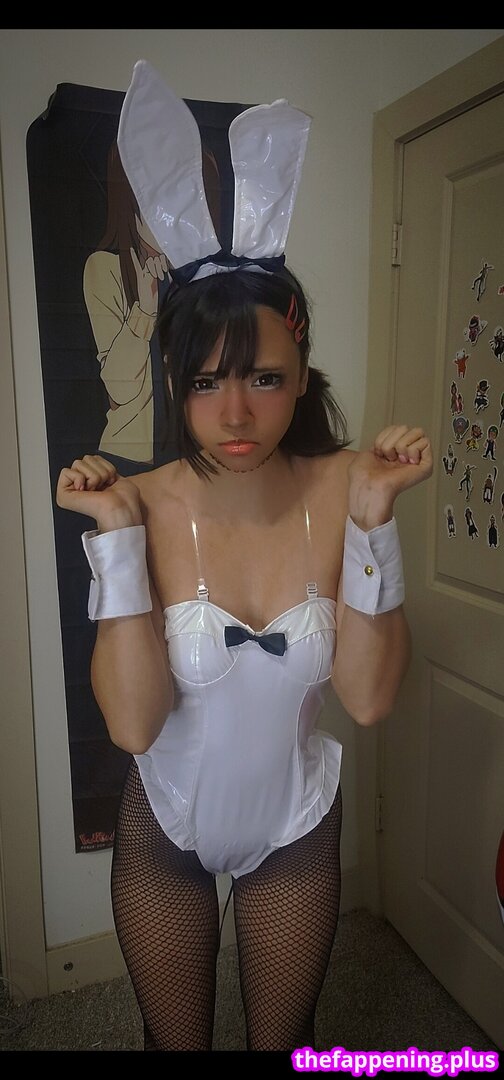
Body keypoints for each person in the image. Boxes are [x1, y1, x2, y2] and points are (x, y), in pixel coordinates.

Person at [55, 62, 433, 1052]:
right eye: (206, 381)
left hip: (295, 827)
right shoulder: (139, 501)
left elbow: (369, 698)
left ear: (301, 372)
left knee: (286, 1040)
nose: (233, 414)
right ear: (174, 379)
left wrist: (375, 519)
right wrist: (118, 544)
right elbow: (134, 722)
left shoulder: (346, 483)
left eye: (263, 378)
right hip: (165, 828)